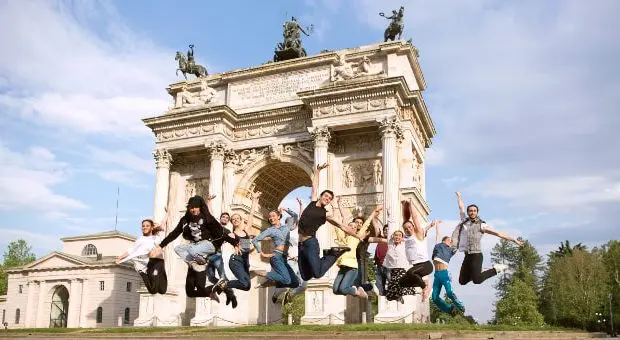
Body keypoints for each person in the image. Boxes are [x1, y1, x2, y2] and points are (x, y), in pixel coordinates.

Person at [150, 195, 238, 302]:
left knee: (216, 272)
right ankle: (195, 264)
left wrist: (235, 243)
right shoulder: (185, 220)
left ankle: (227, 292)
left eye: (196, 207)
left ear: (200, 207)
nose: (194, 210)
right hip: (196, 249)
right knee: (178, 249)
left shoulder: (207, 218)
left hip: (209, 246)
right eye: (191, 207)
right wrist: (161, 246)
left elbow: (222, 234)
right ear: (188, 208)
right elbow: (174, 233)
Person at [297, 163, 362, 281]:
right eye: (326, 196)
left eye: (329, 199)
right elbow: (314, 185)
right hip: (301, 244)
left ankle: (333, 254)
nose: (327, 199)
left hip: (311, 243)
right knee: (305, 276)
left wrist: (357, 235)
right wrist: (317, 171)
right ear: (321, 196)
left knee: (317, 274)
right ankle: (329, 255)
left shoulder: (326, 214)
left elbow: (342, 226)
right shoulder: (312, 202)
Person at [452, 192, 523, 285]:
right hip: (467, 255)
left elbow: (497, 233)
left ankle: (496, 269)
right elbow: (461, 208)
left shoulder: (482, 225)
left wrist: (513, 239)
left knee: (477, 280)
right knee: (462, 281)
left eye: (474, 211)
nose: (472, 212)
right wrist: (459, 197)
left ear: (477, 212)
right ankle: (477, 271)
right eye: (470, 210)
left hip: (476, 255)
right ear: (468, 212)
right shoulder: (464, 221)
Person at [213, 191, 261, 307]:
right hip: (235, 260)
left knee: (247, 286)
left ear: (241, 220)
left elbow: (251, 215)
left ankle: (224, 285)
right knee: (244, 282)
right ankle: (222, 283)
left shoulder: (246, 231)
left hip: (245, 262)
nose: (235, 220)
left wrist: (254, 201)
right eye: (233, 219)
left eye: (237, 218)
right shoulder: (232, 235)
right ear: (232, 222)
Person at [332, 203, 383, 298]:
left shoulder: (356, 237)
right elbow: (337, 224)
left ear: (356, 231)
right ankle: (358, 288)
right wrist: (335, 206)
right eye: (350, 225)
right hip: (342, 267)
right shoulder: (341, 238)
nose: (352, 227)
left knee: (345, 288)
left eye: (354, 227)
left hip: (352, 266)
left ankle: (359, 291)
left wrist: (375, 210)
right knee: (335, 290)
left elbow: (367, 223)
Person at [252, 207, 300, 298]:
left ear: (279, 216)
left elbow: (295, 215)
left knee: (295, 283)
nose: (271, 218)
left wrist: (286, 209)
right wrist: (261, 253)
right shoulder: (270, 230)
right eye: (269, 217)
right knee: (286, 280)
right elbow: (255, 240)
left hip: (284, 258)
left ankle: (270, 281)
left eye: (273, 216)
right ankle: (262, 273)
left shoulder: (286, 226)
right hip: (276, 257)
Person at [116, 217, 168, 295]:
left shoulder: (156, 236)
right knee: (153, 290)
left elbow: (162, 223)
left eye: (147, 226)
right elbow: (131, 250)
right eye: (143, 226)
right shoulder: (141, 239)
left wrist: (168, 212)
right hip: (151, 263)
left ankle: (148, 275)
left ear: (151, 227)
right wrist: (120, 257)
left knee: (163, 290)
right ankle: (143, 274)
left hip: (160, 262)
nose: (144, 227)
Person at [398, 199, 436, 300]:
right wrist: (403, 207)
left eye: (410, 227)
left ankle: (425, 288)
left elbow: (414, 218)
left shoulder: (418, 234)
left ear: (413, 227)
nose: (408, 229)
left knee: (410, 273)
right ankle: (424, 284)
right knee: (401, 283)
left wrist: (411, 205)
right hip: (417, 267)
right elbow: (405, 219)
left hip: (426, 265)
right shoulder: (406, 238)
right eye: (405, 229)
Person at [431, 222, 465, 315]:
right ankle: (449, 309)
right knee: (434, 297)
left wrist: (460, 228)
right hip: (436, 275)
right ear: (444, 240)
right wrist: (437, 225)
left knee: (449, 293)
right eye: (450, 240)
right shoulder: (438, 245)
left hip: (444, 273)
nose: (451, 242)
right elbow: (437, 235)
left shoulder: (451, 250)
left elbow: (458, 241)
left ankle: (460, 305)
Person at [373, 224, 389, 296]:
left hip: (388, 266)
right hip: (379, 266)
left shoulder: (393, 239)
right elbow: (376, 227)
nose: (386, 231)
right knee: (379, 287)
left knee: (392, 283)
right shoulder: (381, 238)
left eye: (388, 230)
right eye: (385, 230)